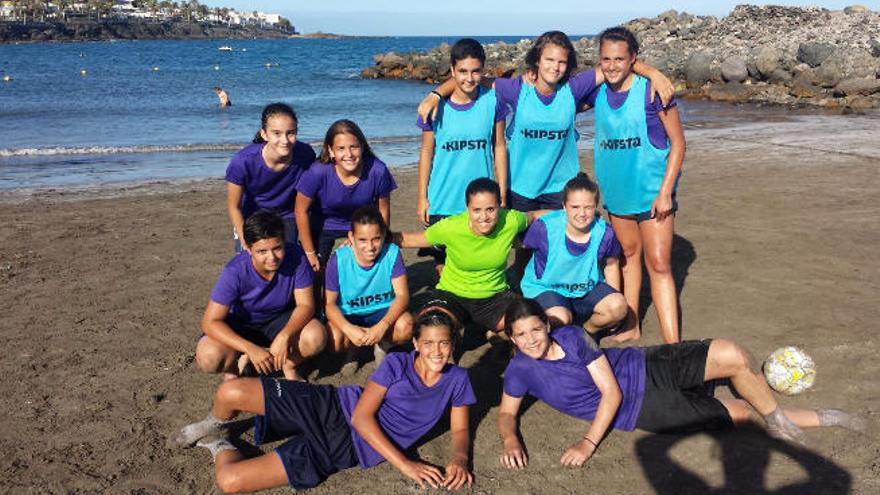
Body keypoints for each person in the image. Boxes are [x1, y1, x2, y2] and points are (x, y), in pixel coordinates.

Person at [496, 299, 865, 469]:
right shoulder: (519, 371)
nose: (530, 339)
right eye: (521, 334)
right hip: (641, 408)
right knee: (739, 412)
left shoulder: (575, 337)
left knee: (733, 353)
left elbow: (609, 387)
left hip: (646, 363)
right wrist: (510, 437)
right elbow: (508, 413)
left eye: (535, 329)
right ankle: (824, 416)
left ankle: (778, 419)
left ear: (547, 325)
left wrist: (587, 441)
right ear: (512, 338)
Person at [174, 310, 476, 492]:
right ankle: (213, 426)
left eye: (444, 343)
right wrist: (407, 465)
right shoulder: (398, 363)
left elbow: (461, 430)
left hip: (347, 447)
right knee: (231, 391)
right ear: (416, 344)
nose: (436, 351)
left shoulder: (458, 379)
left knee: (230, 481)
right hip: (333, 405)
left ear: (452, 344)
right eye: (428, 343)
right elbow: (360, 417)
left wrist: (460, 458)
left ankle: (218, 444)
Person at [418, 30, 673, 213]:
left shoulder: (573, 88)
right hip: (520, 186)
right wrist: (436, 93)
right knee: (523, 251)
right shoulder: (518, 89)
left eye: (562, 61)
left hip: (560, 186)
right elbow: (474, 79)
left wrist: (653, 73)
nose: (555, 66)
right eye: (549, 60)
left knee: (555, 247)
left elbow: (614, 67)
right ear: (537, 60)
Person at [582, 27, 687, 344]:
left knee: (659, 264)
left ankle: (673, 345)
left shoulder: (652, 91)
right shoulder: (596, 92)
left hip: (654, 195)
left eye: (620, 59)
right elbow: (561, 92)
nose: (613, 66)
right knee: (628, 257)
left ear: (633, 60)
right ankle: (631, 325)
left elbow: (678, 144)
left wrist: (666, 191)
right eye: (606, 59)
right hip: (616, 195)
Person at [394, 178, 543, 335]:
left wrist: (567, 214)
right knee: (435, 326)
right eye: (476, 210)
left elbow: (534, 215)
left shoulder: (510, 220)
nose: (484, 217)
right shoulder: (451, 226)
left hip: (495, 296)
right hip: (452, 294)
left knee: (525, 324)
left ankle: (494, 331)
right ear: (467, 208)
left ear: (500, 206)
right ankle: (457, 328)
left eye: (490, 209)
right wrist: (375, 237)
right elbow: (409, 239)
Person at [195, 211, 327, 381]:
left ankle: (289, 365)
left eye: (277, 248)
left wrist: (285, 335)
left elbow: (306, 305)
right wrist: (249, 348)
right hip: (241, 323)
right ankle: (234, 367)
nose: (271, 257)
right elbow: (210, 322)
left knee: (316, 336)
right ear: (249, 249)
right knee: (209, 357)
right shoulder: (235, 271)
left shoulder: (296, 257)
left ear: (284, 243)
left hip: (278, 319)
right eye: (262, 251)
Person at [416, 38, 509, 273]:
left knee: (478, 262)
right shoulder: (435, 107)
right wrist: (422, 197)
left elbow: (499, 146)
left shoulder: (492, 100)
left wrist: (502, 190)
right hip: (443, 198)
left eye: (476, 71)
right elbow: (427, 152)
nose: (469, 78)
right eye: (463, 71)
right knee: (444, 268)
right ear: (452, 71)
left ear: (483, 70)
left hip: (481, 201)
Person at [520, 173, 628, 335]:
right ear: (564, 206)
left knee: (618, 308)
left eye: (588, 207)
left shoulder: (604, 232)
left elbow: (611, 265)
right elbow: (515, 243)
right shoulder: (545, 228)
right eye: (575, 207)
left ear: (596, 206)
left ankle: (586, 332)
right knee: (560, 318)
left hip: (585, 288)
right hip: (547, 288)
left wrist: (612, 296)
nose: (582, 213)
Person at [295, 119, 397, 271]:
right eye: (341, 148)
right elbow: (300, 210)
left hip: (362, 224)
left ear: (362, 147)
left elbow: (383, 211)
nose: (348, 154)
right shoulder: (317, 172)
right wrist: (310, 253)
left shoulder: (378, 170)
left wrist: (380, 239)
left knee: (369, 264)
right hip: (323, 224)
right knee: (313, 270)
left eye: (354, 147)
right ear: (330, 151)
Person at [325, 206, 413, 374]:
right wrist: (348, 329)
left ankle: (383, 345)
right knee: (333, 338)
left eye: (376, 239)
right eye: (362, 240)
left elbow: (402, 296)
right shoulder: (339, 259)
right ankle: (354, 349)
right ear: (351, 237)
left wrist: (382, 326)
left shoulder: (392, 253)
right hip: (351, 314)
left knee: (406, 325)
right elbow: (329, 304)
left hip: (382, 311)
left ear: (384, 236)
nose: (370, 246)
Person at [225, 103, 316, 253]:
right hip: (252, 215)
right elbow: (234, 207)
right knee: (251, 262)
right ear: (264, 134)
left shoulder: (305, 154)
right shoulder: (243, 161)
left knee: (286, 261)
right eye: (277, 133)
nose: (285, 140)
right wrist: (245, 241)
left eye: (290, 133)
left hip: (288, 215)